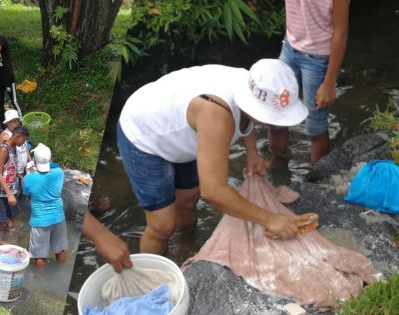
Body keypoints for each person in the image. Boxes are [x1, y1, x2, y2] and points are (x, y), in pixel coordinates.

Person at [116, 59, 314, 255]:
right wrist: (269, 219)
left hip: (185, 133)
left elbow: (246, 116)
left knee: (188, 200)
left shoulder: (254, 84)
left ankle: (186, 248)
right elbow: (213, 192)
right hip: (145, 135)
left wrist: (252, 152)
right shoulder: (215, 114)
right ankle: (153, 281)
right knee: (162, 225)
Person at [269, 0, 349, 165]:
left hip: (318, 59)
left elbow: (341, 32)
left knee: (315, 124)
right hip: (289, 48)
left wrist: (329, 83)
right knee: (275, 112)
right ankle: (277, 164)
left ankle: (316, 176)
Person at [23, 143, 67, 269]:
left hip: (40, 221)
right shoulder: (59, 173)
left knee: (39, 255)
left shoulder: (28, 179)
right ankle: (61, 273)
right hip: (59, 218)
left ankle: (40, 281)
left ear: (35, 162)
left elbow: (27, 194)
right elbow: (54, 166)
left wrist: (31, 170)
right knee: (60, 250)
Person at [0, 126, 28, 231]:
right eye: (23, 139)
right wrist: (9, 194)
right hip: (3, 192)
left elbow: (10, 165)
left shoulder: (14, 148)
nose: (23, 142)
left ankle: (12, 238)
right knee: (3, 220)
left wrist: (18, 175)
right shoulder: (4, 149)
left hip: (11, 189)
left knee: (13, 217)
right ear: (17, 136)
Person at [0, 109, 31, 180]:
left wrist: (31, 162)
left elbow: (25, 149)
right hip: (12, 173)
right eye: (12, 122)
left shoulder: (21, 133)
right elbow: (0, 156)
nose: (15, 124)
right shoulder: (6, 136)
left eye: (16, 121)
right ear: (7, 123)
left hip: (23, 170)